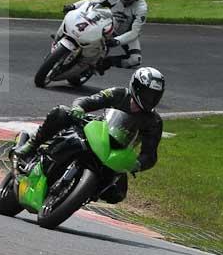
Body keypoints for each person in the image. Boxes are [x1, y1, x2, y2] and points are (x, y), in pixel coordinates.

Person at [14, 67, 165, 203]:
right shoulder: (119, 94)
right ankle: (31, 144)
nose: (150, 99)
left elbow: (150, 154)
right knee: (60, 113)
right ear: (136, 87)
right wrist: (79, 108)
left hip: (116, 153)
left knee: (117, 194)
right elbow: (89, 100)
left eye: (155, 96)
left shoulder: (154, 122)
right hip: (99, 134)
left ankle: (80, 194)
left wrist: (137, 164)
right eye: (147, 94)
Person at [63, 0, 147, 73]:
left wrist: (118, 40)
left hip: (125, 34)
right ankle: (61, 36)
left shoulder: (141, 8)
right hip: (107, 24)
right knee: (78, 16)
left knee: (135, 60)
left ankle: (106, 62)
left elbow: (135, 32)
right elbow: (91, 3)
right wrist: (74, 6)